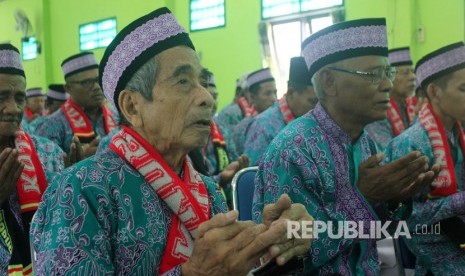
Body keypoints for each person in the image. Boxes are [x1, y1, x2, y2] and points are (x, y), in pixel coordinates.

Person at [31, 8, 312, 275]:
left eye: (202, 82)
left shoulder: (207, 189)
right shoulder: (82, 191)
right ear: (131, 106)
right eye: (182, 82)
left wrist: (269, 248)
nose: (207, 98)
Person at [252, 18, 440, 274]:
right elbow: (285, 256)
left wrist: (394, 199)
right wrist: (361, 197)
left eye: (388, 73)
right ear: (329, 83)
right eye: (374, 74)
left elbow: (377, 231)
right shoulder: (293, 151)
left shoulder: (365, 141)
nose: (387, 85)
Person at [384, 41, 465, 275]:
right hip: (437, 256)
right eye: (463, 88)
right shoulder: (410, 145)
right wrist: (458, 202)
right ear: (434, 92)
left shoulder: (458, 133)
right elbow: (404, 220)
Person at [0, 43, 64, 276]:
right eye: (1, 97)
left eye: (19, 97)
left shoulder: (48, 153)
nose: (13, 108)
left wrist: (77, 184)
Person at [36, 52, 118, 158]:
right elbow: (47, 170)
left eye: (98, 80)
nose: (97, 87)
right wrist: (78, 162)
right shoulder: (52, 126)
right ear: (68, 88)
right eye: (87, 82)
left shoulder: (116, 117)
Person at [244, 57, 317, 165]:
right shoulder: (263, 127)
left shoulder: (314, 121)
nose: (317, 108)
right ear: (291, 93)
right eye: (312, 101)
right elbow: (254, 176)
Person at [200, 68, 249, 208]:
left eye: (215, 97)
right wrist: (220, 178)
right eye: (208, 96)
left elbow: (234, 160)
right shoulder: (188, 134)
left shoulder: (222, 129)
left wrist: (239, 170)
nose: (212, 103)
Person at [365, 47, 418, 150]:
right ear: (389, 76)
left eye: (413, 71)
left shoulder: (414, 106)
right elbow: (388, 152)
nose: (412, 77)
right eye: (405, 72)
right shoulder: (378, 109)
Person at [232, 68, 277, 157]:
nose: (273, 98)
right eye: (267, 93)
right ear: (252, 98)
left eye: (275, 92)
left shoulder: (282, 121)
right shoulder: (243, 129)